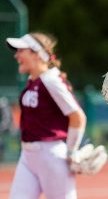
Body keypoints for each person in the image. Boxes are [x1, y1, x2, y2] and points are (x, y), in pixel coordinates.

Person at [6, 32, 87, 199]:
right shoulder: (33, 80)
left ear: (36, 53)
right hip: (28, 156)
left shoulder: (51, 80)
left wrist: (71, 152)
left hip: (51, 155)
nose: (16, 55)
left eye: (21, 50)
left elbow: (77, 116)